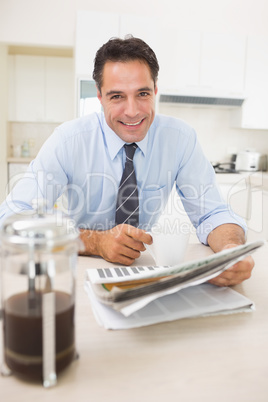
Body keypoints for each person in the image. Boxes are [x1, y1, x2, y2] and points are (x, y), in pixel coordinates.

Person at [0, 36, 254, 286]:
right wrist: (96, 242)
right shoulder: (68, 140)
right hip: (77, 270)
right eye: (117, 96)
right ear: (99, 96)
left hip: (142, 272)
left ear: (155, 90)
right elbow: (12, 219)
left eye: (142, 93)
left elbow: (214, 212)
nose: (132, 111)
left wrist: (230, 250)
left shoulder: (180, 138)